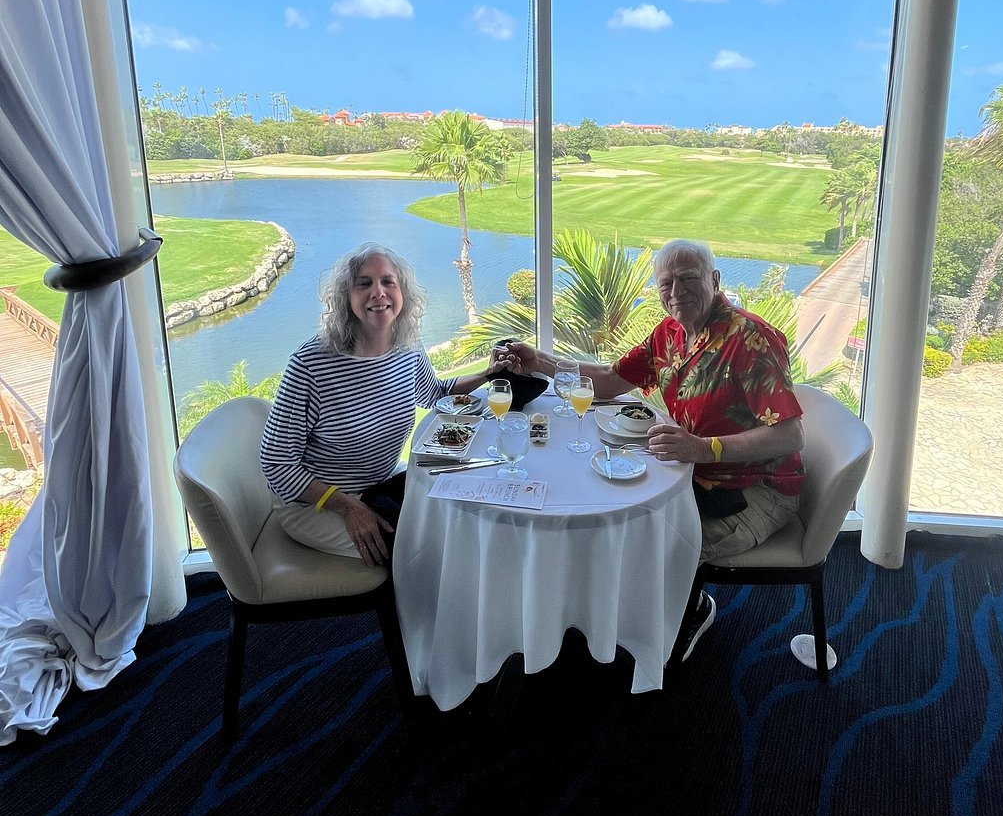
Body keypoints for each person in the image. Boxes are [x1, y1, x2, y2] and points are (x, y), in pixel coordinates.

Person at [501, 238, 804, 659]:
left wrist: (703, 448)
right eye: (666, 283)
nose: (676, 292)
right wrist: (541, 363)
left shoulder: (751, 340)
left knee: (648, 545)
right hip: (689, 472)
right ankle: (597, 620)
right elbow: (608, 380)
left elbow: (791, 436)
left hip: (755, 488)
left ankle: (691, 609)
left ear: (715, 280)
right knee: (612, 529)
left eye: (688, 279)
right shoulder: (670, 332)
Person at [260, 243, 506, 566]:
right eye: (364, 283)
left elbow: (434, 393)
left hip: (383, 486)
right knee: (422, 549)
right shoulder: (310, 366)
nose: (378, 292)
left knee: (460, 514)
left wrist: (490, 373)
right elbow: (276, 464)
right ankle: (413, 615)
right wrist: (345, 505)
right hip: (316, 506)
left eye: (388, 282)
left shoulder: (407, 347)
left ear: (402, 293)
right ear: (346, 297)